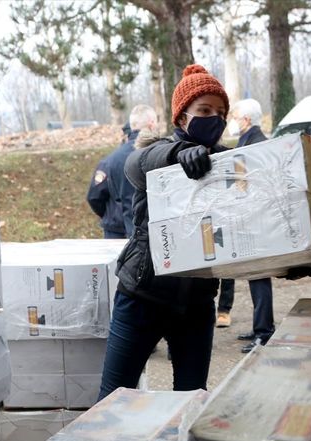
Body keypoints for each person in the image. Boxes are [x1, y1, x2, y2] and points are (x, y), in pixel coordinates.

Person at [98, 64, 229, 400]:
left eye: (220, 112)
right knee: (112, 402)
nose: (213, 117)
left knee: (189, 404)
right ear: (182, 118)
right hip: (143, 297)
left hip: (197, 305)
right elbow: (136, 163)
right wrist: (179, 153)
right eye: (203, 110)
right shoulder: (159, 154)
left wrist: (285, 261)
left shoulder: (227, 163)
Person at [213, 98, 276, 354]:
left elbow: (249, 185)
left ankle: (264, 333)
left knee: (259, 279)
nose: (233, 122)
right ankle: (259, 326)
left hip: (256, 223)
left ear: (246, 120)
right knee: (254, 279)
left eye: (236, 117)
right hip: (250, 221)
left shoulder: (257, 145)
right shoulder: (249, 141)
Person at [86, 106, 157, 238]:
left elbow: (94, 197)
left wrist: (114, 214)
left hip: (117, 231)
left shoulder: (110, 161)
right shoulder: (160, 154)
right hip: (155, 230)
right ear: (152, 123)